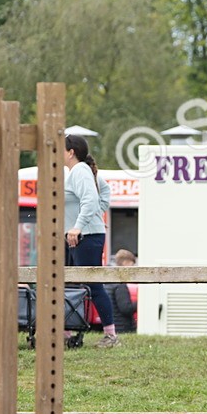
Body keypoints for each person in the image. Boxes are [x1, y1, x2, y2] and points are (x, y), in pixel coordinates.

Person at [64, 134, 119, 348]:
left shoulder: (79, 171)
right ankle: (66, 332)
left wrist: (80, 225)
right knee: (66, 283)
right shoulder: (76, 172)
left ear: (71, 152)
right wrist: (95, 215)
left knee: (92, 284)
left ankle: (111, 335)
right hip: (75, 234)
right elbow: (103, 191)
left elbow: (91, 198)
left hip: (84, 236)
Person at [106, 249, 138, 334]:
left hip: (114, 325)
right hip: (123, 328)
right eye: (132, 265)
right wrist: (141, 302)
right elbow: (126, 309)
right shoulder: (120, 285)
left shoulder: (109, 282)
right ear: (125, 263)